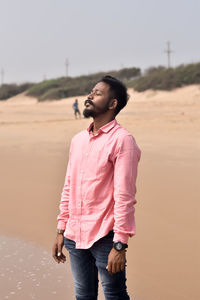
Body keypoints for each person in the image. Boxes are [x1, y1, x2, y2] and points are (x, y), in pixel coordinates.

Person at [52, 75, 141, 300]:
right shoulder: (78, 140)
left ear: (113, 104)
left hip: (105, 235)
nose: (90, 96)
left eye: (98, 93)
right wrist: (61, 228)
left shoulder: (123, 140)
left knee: (114, 294)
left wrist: (120, 244)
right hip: (74, 233)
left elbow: (125, 196)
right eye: (91, 92)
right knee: (83, 294)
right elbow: (69, 186)